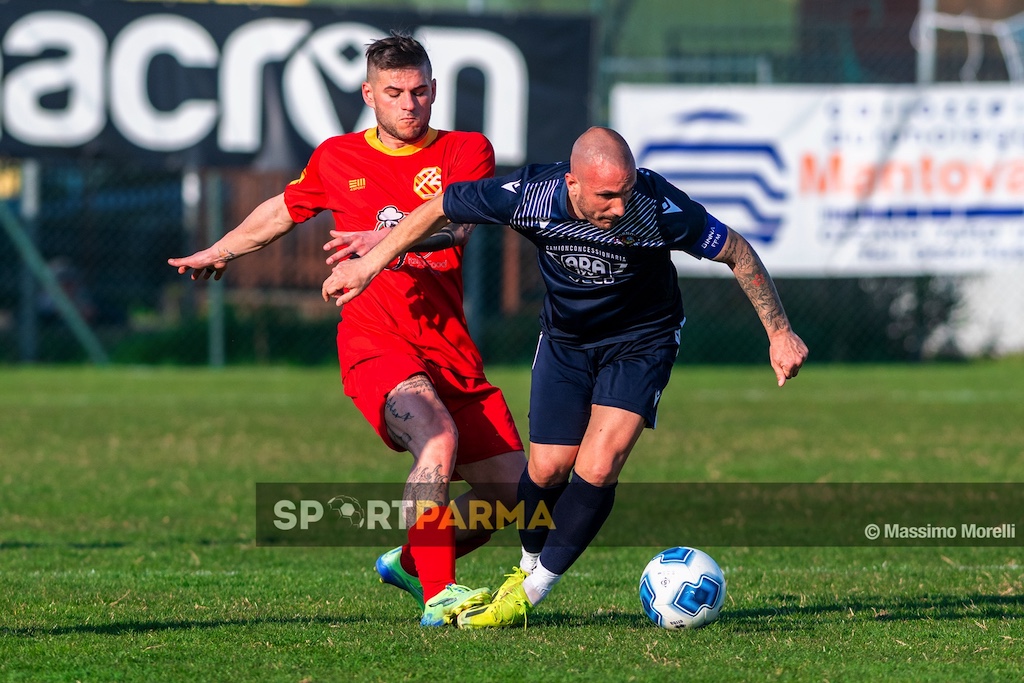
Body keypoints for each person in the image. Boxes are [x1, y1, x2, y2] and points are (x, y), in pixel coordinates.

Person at [321, 126, 809, 628]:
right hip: (565, 342)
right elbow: (443, 203)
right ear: (572, 183)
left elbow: (737, 251)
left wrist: (779, 332)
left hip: (642, 341)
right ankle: (523, 565)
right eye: (606, 196)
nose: (620, 208)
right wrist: (369, 266)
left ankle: (530, 592)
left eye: (626, 191)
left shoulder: (658, 206)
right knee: (548, 469)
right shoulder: (532, 196)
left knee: (598, 466)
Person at [168, 33, 527, 627]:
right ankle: (440, 595)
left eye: (419, 91)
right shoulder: (338, 156)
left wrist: (379, 247)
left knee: (514, 496)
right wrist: (221, 250)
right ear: (369, 95)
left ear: (434, 91)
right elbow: (283, 209)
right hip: (376, 342)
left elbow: (457, 230)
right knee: (435, 439)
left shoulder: (467, 152)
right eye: (394, 93)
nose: (409, 104)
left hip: (450, 348)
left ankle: (413, 561)